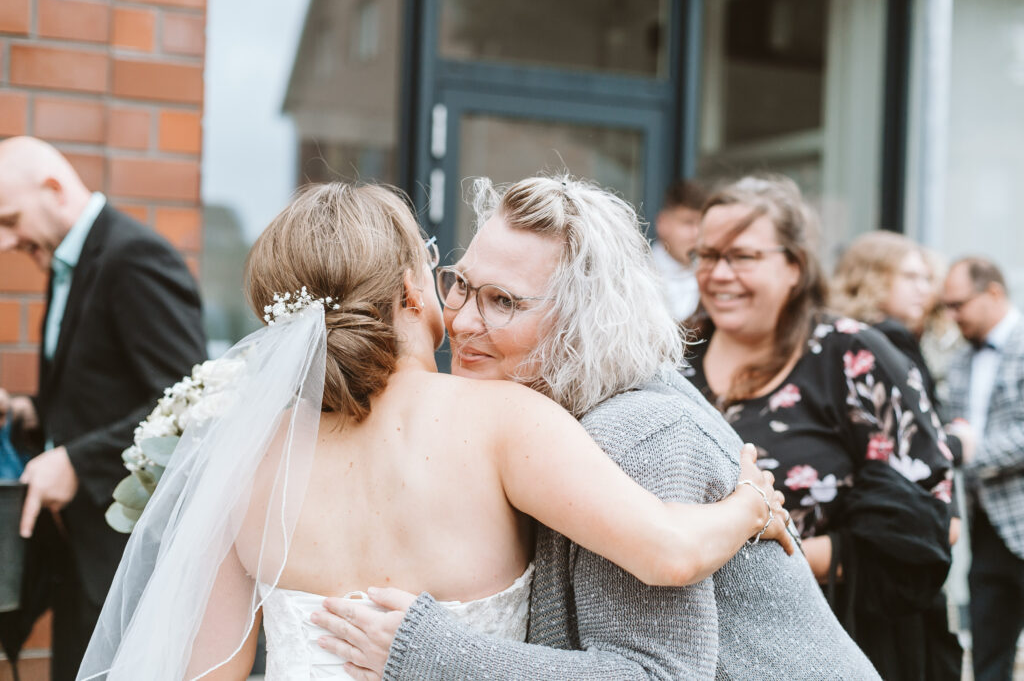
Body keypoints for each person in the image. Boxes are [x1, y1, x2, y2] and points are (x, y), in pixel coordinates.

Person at [77, 182, 790, 680]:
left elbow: (208, 672)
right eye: (441, 270)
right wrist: (748, 502)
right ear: (414, 291)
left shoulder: (247, 462)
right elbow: (667, 552)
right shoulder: (502, 421)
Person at [316, 175, 879, 680]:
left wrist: (434, 653)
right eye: (460, 285)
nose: (461, 322)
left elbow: (657, 674)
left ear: (585, 321)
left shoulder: (636, 435)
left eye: (503, 301)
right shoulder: (527, 418)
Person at [680, 175, 955, 679]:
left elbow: (935, 523)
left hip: (841, 641)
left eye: (742, 257)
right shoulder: (672, 358)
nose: (718, 274)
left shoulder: (854, 355)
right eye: (705, 255)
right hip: (693, 645)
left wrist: (742, 560)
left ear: (794, 265)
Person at [0, 137, 206, 680]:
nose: (5, 241)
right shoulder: (68, 262)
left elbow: (188, 403)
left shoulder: (133, 256)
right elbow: (97, 397)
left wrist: (77, 463)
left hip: (124, 566)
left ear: (53, 189)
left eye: (10, 219)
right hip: (79, 557)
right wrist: (27, 412)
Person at [832, 229, 968, 680]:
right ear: (872, 278)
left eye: (927, 278)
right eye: (911, 276)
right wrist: (958, 443)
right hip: (893, 538)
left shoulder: (835, 339)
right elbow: (907, 447)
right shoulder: (886, 340)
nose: (925, 289)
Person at [942, 257, 1024, 681]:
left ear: (993, 292)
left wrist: (973, 452)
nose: (952, 316)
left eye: (959, 304)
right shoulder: (958, 360)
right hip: (985, 524)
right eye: (947, 307)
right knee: (990, 654)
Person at [651, 179, 706, 323]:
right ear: (662, 223)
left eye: (702, 224)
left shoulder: (712, 277)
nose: (697, 233)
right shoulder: (637, 273)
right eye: (688, 222)